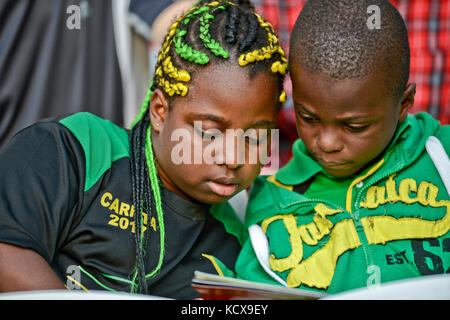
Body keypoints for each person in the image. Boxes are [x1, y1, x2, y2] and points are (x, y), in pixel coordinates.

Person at [0, 0, 287, 299]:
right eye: (210, 132)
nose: (232, 157)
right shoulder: (75, 151)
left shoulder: (235, 242)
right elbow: (7, 252)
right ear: (160, 111)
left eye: (254, 138)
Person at [234, 0, 450, 295]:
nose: (327, 143)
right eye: (308, 118)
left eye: (355, 126)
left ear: (404, 104)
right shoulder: (272, 206)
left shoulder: (442, 156)